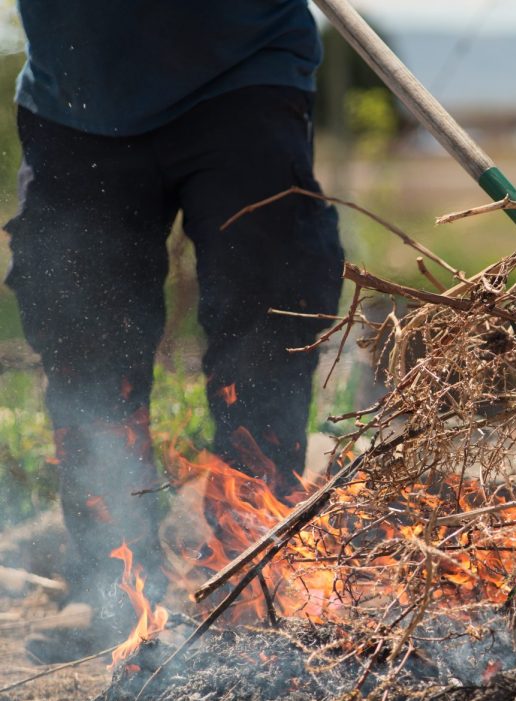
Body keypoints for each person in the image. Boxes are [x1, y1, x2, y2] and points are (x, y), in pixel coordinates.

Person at [5, 1, 345, 663]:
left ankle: (250, 572)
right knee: (84, 341)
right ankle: (114, 585)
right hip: (76, 96)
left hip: (242, 68)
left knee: (269, 311)